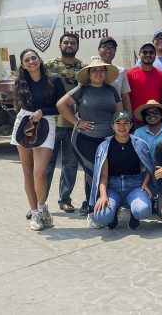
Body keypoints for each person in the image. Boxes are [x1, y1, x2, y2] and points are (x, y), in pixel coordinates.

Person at [56, 57, 121, 220]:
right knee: (93, 170)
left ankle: (96, 203)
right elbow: (61, 105)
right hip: (84, 139)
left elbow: (120, 114)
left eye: (101, 70)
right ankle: (92, 206)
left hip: (108, 139)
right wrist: (77, 122)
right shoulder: (82, 89)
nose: (98, 73)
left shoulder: (112, 90)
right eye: (94, 70)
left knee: (105, 172)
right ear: (89, 73)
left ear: (105, 73)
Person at [12, 48, 66, 231]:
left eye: (34, 58)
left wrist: (43, 111)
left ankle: (43, 209)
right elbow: (19, 106)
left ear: (40, 60)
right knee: (27, 172)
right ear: (23, 65)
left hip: (46, 123)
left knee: (39, 173)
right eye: (27, 60)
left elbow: (60, 107)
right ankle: (34, 213)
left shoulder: (54, 80)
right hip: (24, 125)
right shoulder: (20, 82)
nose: (31, 62)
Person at [90, 111, 154, 231]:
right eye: (118, 123)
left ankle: (135, 216)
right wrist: (103, 195)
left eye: (126, 123)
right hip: (112, 187)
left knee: (143, 211)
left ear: (130, 126)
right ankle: (113, 212)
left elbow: (149, 166)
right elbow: (103, 175)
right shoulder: (105, 146)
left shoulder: (140, 144)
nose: (122, 126)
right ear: (112, 126)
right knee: (101, 217)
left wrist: (145, 183)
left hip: (134, 185)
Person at [43, 33, 85, 216]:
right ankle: (39, 202)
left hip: (73, 124)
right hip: (51, 123)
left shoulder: (83, 68)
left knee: (70, 164)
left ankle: (65, 200)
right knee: (46, 165)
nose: (69, 45)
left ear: (77, 46)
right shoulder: (48, 66)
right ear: (60, 45)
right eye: (66, 42)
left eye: (73, 43)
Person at [126, 42, 162, 126]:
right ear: (139, 54)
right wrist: (130, 118)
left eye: (151, 52)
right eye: (145, 52)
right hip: (137, 122)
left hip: (156, 121)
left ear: (155, 55)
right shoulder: (130, 74)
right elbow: (126, 99)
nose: (148, 54)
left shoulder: (161, 75)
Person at [97, 36, 133, 117]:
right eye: (105, 47)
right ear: (99, 49)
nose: (108, 50)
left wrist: (130, 118)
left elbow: (125, 98)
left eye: (112, 48)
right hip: (95, 117)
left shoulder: (121, 71)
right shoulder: (89, 70)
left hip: (116, 118)